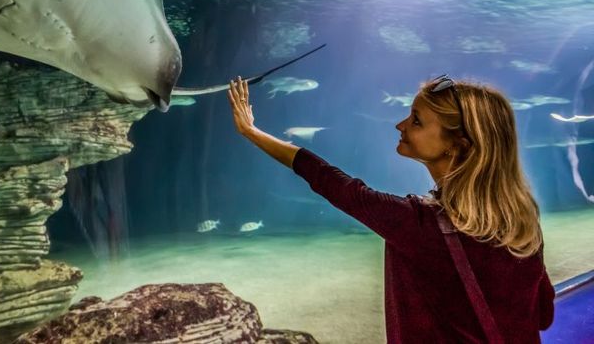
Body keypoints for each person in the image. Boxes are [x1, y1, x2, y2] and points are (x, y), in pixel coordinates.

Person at [228, 74, 555, 343]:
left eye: (416, 121)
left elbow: (334, 184)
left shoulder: (419, 226)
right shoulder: (523, 219)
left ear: (458, 145)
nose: (400, 125)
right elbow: (543, 313)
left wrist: (251, 132)